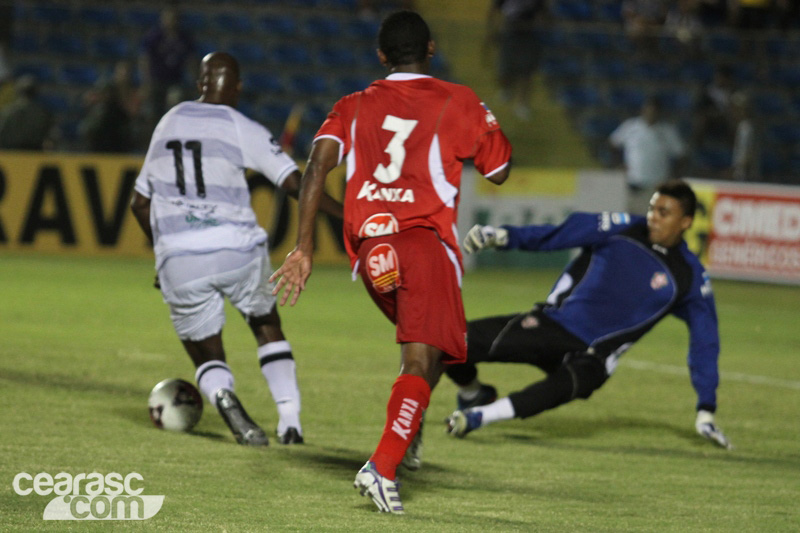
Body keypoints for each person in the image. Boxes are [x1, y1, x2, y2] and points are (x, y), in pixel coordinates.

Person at [270, 10, 512, 513]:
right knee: (422, 359)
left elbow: (315, 166)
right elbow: (500, 170)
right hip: (423, 245)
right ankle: (382, 466)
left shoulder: (352, 105)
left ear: (381, 55)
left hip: (373, 256)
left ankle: (407, 429)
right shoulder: (458, 100)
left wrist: (303, 247)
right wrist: (485, 116)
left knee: (437, 352)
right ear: (431, 48)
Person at [130, 52, 343, 447]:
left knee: (205, 350)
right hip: (237, 250)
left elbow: (139, 203)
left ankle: (226, 399)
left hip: (180, 257)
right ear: (239, 87)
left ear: (200, 83)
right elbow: (295, 184)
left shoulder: (170, 120)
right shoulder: (242, 126)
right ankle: (290, 421)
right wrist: (347, 216)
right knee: (265, 324)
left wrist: (164, 257)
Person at [443, 180, 732, 451]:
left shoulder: (690, 278)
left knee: (566, 385)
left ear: (685, 222)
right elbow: (558, 234)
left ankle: (482, 416)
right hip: (553, 325)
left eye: (663, 213)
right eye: (652, 209)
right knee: (449, 341)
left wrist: (706, 409)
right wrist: (504, 236)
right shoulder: (619, 227)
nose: (653, 217)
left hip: (593, 355)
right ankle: (473, 394)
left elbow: (705, 341)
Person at [609, 96, 687, 215]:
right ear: (643, 110)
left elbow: (681, 155)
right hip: (634, 185)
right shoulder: (631, 126)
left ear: (659, 112)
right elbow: (613, 143)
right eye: (648, 109)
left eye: (654, 111)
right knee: (631, 218)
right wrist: (619, 163)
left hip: (657, 186)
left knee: (654, 219)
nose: (651, 113)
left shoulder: (667, 131)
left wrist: (675, 175)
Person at [486, 0, 548, 121]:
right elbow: (494, 11)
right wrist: (493, 30)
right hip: (509, 34)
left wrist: (536, 24)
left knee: (526, 72)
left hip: (530, 36)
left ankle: (522, 104)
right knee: (505, 68)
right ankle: (506, 90)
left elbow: (544, 14)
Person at [139, 6, 196, 132]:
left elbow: (190, 60)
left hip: (175, 80)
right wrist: (146, 81)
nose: (170, 21)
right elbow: (145, 60)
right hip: (156, 80)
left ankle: (174, 132)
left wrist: (193, 79)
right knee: (154, 111)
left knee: (176, 103)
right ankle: (154, 135)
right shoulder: (154, 37)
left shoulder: (184, 38)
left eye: (173, 18)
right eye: (168, 18)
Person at [0, 75, 53, 151]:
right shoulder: (44, 113)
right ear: (35, 92)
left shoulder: (7, 112)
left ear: (18, 91)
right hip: (34, 154)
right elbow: (49, 139)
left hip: (11, 154)